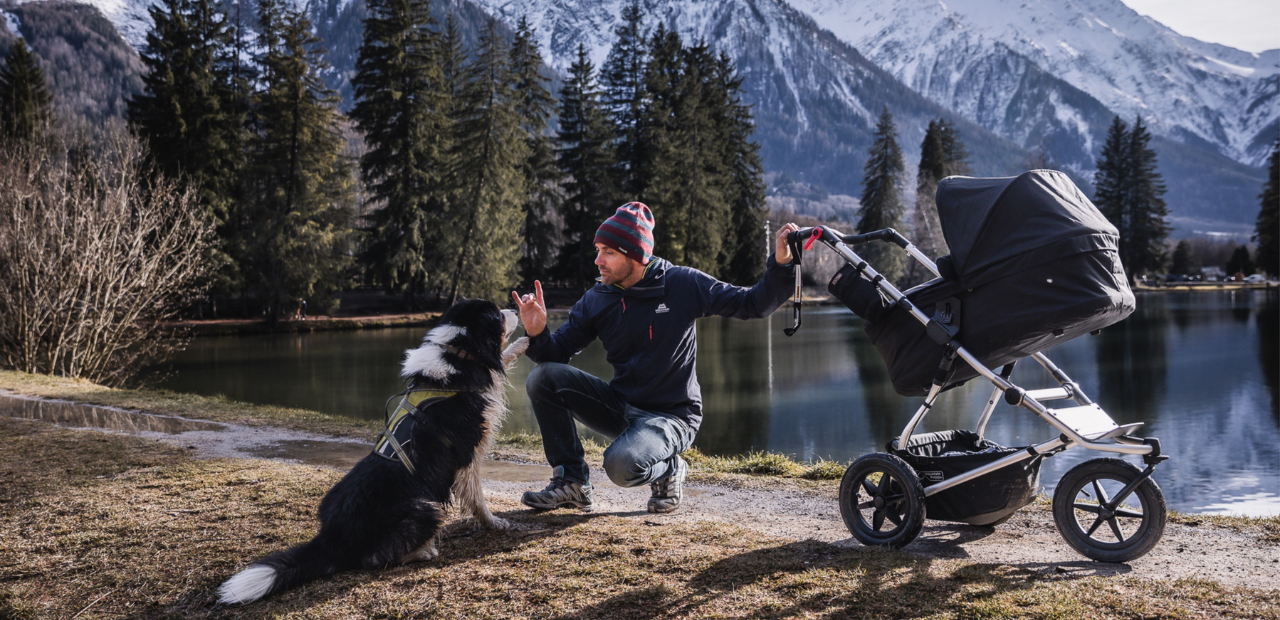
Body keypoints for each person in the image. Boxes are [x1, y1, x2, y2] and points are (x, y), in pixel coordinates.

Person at [511, 202, 799, 514]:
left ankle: (670, 469)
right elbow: (555, 355)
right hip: (621, 407)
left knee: (620, 466)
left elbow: (752, 304)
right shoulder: (598, 298)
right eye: (598, 250)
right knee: (544, 377)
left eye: (607, 251)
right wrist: (538, 332)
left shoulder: (681, 284)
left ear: (633, 254)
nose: (598, 260)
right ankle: (572, 482)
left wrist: (782, 264)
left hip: (673, 417)